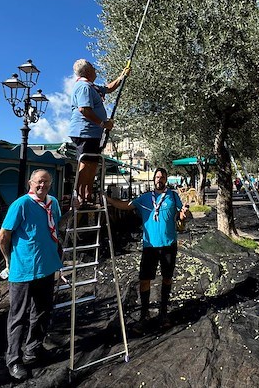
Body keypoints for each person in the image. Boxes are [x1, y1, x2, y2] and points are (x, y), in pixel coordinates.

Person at [0, 169, 62, 381]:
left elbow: (56, 225)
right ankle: (14, 360)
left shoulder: (53, 203)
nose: (43, 186)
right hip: (23, 271)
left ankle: (33, 349)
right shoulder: (21, 205)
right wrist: (9, 260)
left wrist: (75, 209)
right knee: (18, 317)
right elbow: (2, 236)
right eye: (39, 182)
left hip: (46, 268)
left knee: (42, 312)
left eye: (47, 183)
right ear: (30, 183)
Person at [106, 167, 190, 331]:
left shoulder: (173, 196)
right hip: (149, 246)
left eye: (163, 177)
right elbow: (125, 206)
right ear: (154, 180)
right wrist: (107, 199)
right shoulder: (144, 198)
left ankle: (163, 313)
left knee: (167, 278)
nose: (160, 179)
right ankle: (145, 315)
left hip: (168, 245)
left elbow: (181, 215)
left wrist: (184, 214)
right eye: (157, 177)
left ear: (166, 180)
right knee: (144, 279)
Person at [69, 58, 128, 208]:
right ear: (87, 71)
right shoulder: (84, 87)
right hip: (85, 132)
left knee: (92, 163)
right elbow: (84, 109)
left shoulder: (92, 86)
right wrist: (103, 123)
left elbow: (108, 88)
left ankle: (87, 195)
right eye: (93, 68)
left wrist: (122, 76)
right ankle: (80, 197)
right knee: (86, 163)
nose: (96, 70)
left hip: (93, 134)